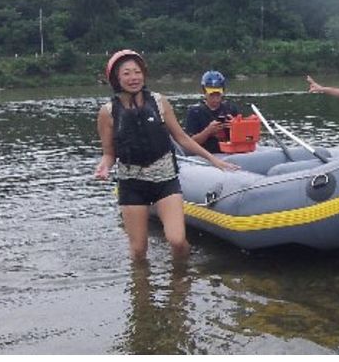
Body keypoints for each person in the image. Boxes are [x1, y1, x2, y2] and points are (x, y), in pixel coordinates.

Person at [94, 50, 238, 261]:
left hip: (165, 179)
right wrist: (104, 166)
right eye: (126, 73)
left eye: (137, 72)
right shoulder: (107, 113)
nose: (134, 78)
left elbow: (182, 138)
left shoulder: (160, 103)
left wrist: (214, 160)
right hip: (132, 183)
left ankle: (180, 286)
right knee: (138, 250)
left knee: (177, 241)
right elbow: (109, 153)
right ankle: (142, 292)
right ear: (116, 78)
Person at [184, 70, 240, 154]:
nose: (215, 99)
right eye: (212, 95)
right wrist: (208, 131)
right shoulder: (194, 112)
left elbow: (243, 138)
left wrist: (236, 127)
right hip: (205, 154)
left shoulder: (231, 109)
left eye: (218, 94)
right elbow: (189, 143)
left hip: (228, 153)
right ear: (204, 92)